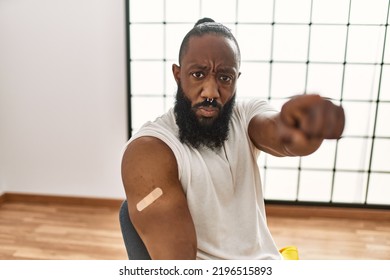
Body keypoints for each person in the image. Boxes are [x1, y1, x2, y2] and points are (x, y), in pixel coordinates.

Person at [121, 18, 345, 260]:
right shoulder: (149, 151)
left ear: (237, 79)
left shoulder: (244, 114)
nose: (210, 91)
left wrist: (304, 128)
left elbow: (282, 136)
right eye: (198, 74)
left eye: (224, 78)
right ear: (178, 74)